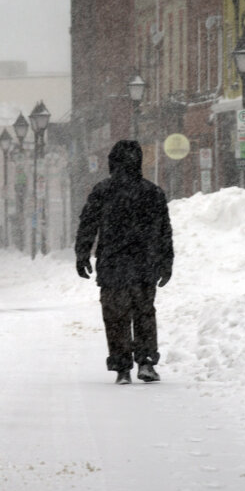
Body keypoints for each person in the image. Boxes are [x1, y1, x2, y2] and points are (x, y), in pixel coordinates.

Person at [75, 140, 174, 385]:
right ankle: (146, 362)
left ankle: (122, 367)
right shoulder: (152, 192)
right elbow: (164, 232)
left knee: (116, 316)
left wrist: (82, 254)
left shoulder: (103, 191)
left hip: (113, 264)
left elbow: (88, 224)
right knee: (144, 314)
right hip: (144, 263)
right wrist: (166, 262)